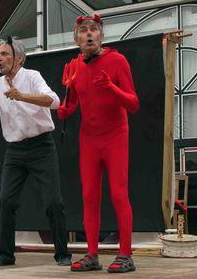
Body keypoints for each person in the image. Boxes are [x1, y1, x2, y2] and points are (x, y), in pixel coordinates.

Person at [0, 37, 72, 267]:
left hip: (42, 146)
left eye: (5, 54)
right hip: (15, 150)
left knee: (53, 201)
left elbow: (54, 100)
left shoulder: (32, 77)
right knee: (6, 200)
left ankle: (63, 253)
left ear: (19, 58)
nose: (0, 59)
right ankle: (6, 254)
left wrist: (22, 95)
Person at [57, 14, 139, 273]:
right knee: (89, 196)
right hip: (89, 138)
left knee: (118, 193)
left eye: (94, 30)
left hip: (115, 135)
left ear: (102, 36)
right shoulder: (75, 66)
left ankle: (125, 254)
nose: (89, 34)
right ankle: (92, 253)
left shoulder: (117, 60)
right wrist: (63, 108)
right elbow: (70, 106)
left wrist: (111, 88)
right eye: (83, 30)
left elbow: (133, 104)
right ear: (76, 38)